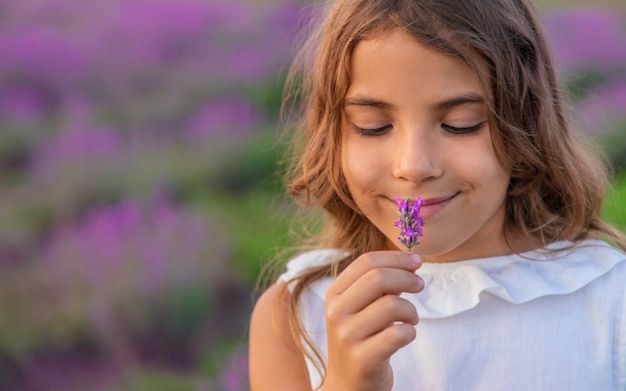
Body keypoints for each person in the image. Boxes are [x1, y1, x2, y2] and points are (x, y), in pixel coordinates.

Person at [248, 0, 626, 389]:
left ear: (526, 122)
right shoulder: (295, 316)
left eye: (460, 124)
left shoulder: (609, 301)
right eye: (373, 126)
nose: (413, 166)